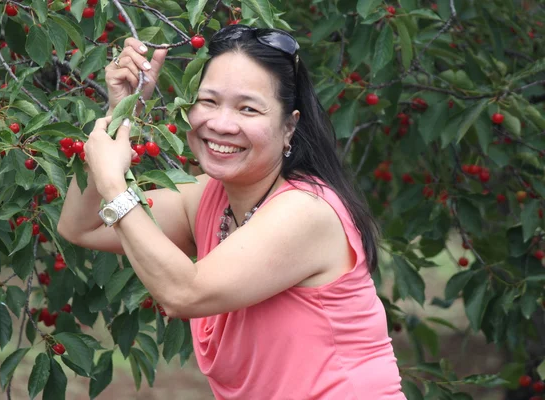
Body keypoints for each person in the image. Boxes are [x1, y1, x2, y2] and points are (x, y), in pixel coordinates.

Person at [58, 24, 405, 400]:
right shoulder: (209, 199)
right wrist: (120, 111)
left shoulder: (306, 209)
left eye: (248, 108)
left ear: (290, 126)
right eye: (208, 102)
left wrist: (115, 185)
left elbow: (184, 294)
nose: (221, 124)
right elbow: (81, 225)